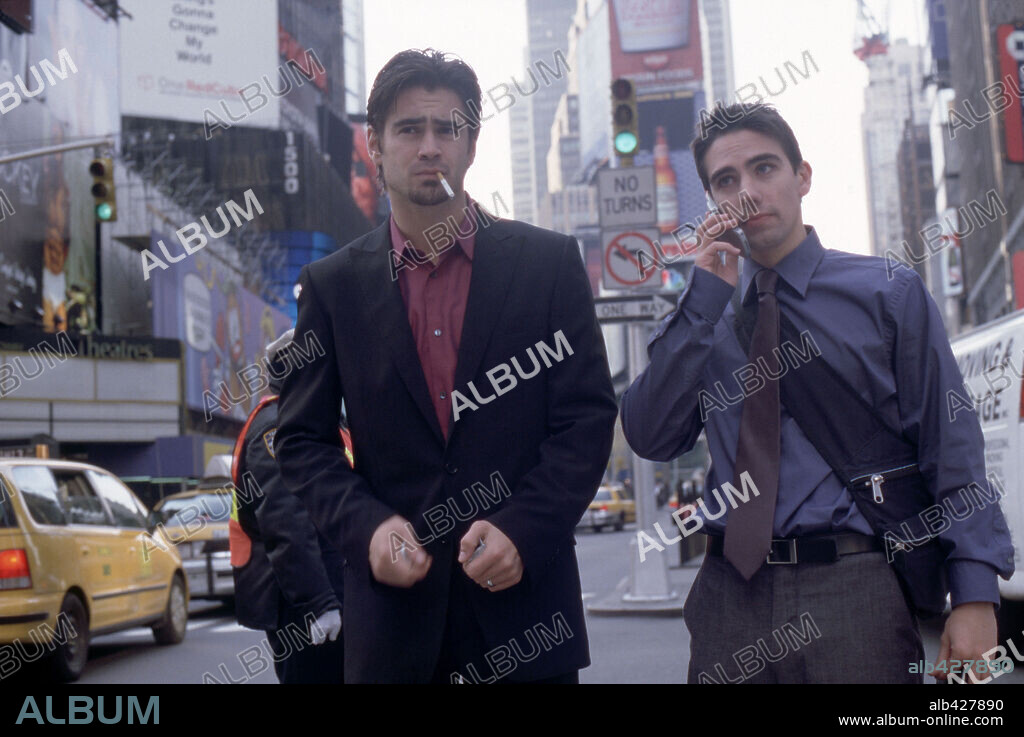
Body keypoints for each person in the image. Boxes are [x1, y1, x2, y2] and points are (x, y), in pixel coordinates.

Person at [620, 102, 1014, 684]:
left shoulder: (889, 292)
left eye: (764, 169)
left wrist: (976, 595)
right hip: (731, 597)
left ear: (802, 177)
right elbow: (651, 435)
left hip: (857, 590)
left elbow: (951, 445)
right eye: (726, 182)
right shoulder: (704, 310)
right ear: (711, 201)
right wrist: (701, 299)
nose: (747, 192)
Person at [274, 49, 617, 684]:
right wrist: (368, 529)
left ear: (472, 144)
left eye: (447, 129)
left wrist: (525, 529)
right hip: (394, 632)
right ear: (375, 145)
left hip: (527, 620)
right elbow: (300, 440)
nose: (430, 147)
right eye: (409, 129)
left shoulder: (548, 265)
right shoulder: (332, 285)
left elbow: (587, 418)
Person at [229, 329, 346, 684]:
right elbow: (286, 521)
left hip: (324, 591)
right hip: (303, 602)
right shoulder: (278, 426)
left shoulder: (311, 421)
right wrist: (320, 604)